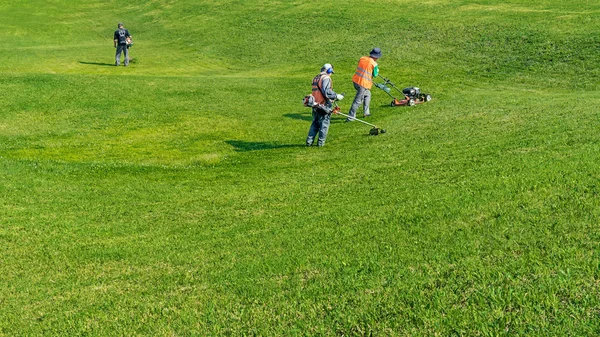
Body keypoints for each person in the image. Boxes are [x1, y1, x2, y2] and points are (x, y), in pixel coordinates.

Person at [306, 64, 344, 147]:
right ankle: (320, 143)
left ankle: (309, 142)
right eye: (331, 72)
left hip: (315, 104)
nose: (331, 74)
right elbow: (327, 92)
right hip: (323, 105)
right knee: (324, 124)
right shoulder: (326, 78)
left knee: (315, 123)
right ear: (329, 70)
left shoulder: (316, 77)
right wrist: (337, 96)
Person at [347, 47, 381, 121]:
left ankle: (366, 112)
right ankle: (350, 117)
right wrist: (377, 70)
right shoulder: (374, 64)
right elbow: (375, 74)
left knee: (368, 94)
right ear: (377, 57)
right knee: (358, 100)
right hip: (363, 84)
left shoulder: (362, 58)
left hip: (356, 81)